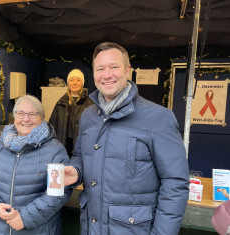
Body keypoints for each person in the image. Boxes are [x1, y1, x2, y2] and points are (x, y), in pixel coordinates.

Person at [64, 42, 189, 235]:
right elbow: (80, 155)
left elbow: (175, 183)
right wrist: (76, 171)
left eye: (114, 67)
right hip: (91, 226)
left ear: (127, 70)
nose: (107, 75)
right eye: (100, 69)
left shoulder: (158, 118)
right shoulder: (88, 116)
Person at [0, 95, 72, 235]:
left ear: (42, 117)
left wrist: (25, 217)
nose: (26, 119)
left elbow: (58, 192)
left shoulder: (55, 150)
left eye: (33, 114)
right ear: (14, 117)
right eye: (20, 113)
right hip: (0, 230)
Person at [49, 69, 93, 156]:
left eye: (78, 80)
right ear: (68, 83)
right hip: (63, 145)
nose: (75, 83)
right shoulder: (61, 102)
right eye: (71, 80)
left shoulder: (90, 103)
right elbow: (52, 125)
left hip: (82, 145)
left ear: (82, 83)